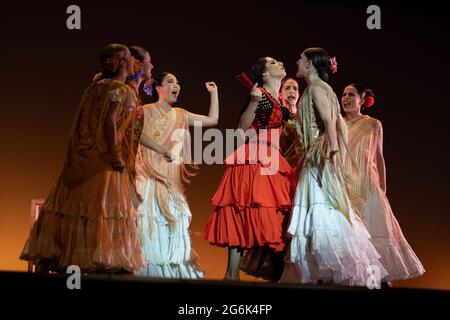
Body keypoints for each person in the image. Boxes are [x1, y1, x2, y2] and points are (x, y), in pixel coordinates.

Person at [20, 44, 146, 274]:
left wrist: (73, 154)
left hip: (80, 160)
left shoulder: (93, 88)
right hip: (104, 162)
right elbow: (110, 122)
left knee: (71, 211)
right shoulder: (122, 90)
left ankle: (57, 261)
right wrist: (117, 155)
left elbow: (77, 124)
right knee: (101, 213)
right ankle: (96, 263)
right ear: (125, 64)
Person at [280, 48, 387, 286]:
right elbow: (339, 124)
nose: (297, 62)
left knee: (321, 214)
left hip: (318, 161)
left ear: (309, 64)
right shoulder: (319, 89)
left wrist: (331, 150)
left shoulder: (317, 89)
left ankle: (329, 269)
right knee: (326, 214)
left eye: (301, 59)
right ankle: (326, 272)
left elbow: (330, 121)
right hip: (317, 159)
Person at [205, 57, 293, 281]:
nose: (280, 62)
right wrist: (253, 102)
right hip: (255, 158)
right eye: (273, 62)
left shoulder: (276, 98)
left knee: (264, 217)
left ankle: (237, 275)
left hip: (272, 159)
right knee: (243, 213)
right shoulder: (261, 94)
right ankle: (231, 275)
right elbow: (243, 128)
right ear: (264, 74)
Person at [136, 72, 218, 279]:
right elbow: (136, 133)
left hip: (170, 182)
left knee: (175, 220)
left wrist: (214, 93)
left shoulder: (180, 114)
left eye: (178, 82)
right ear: (159, 88)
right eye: (170, 82)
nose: (176, 85)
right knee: (150, 223)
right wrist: (160, 149)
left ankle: (169, 273)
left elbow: (212, 120)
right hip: (149, 178)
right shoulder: (146, 110)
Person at [341, 83, 425, 284]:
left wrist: (382, 189)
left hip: (367, 184)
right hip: (344, 184)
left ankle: (376, 284)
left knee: (374, 235)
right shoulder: (337, 123)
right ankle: (350, 281)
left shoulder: (373, 124)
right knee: (349, 237)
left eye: (351, 94)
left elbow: (379, 157)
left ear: (362, 100)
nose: (346, 98)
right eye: (343, 94)